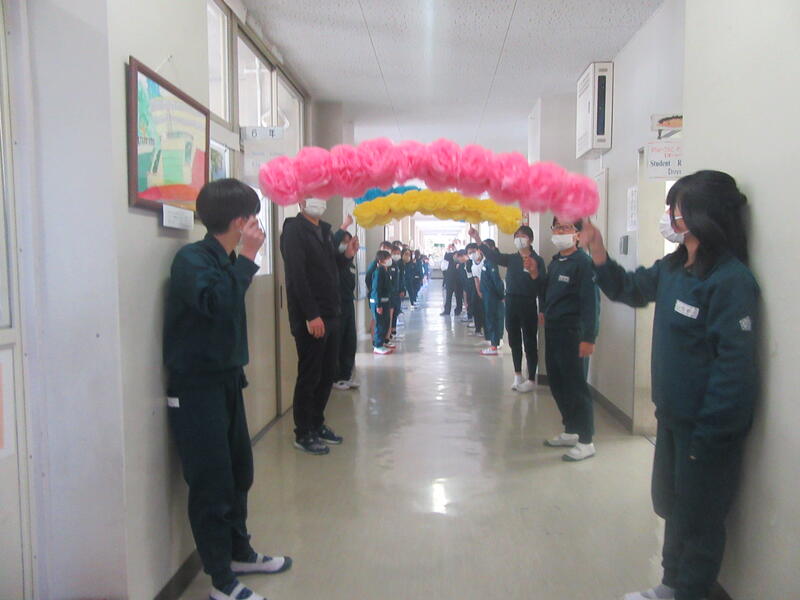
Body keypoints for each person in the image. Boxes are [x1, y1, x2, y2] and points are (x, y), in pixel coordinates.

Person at [579, 171, 758, 600]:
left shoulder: (729, 280)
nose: (669, 216)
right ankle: (671, 585)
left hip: (707, 428)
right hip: (672, 417)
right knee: (673, 507)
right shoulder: (675, 268)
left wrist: (710, 434)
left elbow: (734, 369)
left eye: (676, 209)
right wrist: (598, 251)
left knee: (699, 517)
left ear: (702, 215)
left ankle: (689, 590)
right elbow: (629, 288)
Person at [164, 179, 291, 600]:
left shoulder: (225, 259)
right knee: (212, 483)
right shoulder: (191, 260)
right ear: (239, 221)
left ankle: (240, 553)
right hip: (196, 388)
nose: (256, 222)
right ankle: (220, 580)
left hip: (226, 380)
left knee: (239, 472)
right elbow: (216, 305)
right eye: (252, 215)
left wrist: (244, 259)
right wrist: (251, 257)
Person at [280, 197, 344, 455]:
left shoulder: (325, 231)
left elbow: (329, 269)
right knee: (310, 375)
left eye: (322, 193)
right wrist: (311, 314)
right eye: (312, 194)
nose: (319, 200)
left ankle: (317, 424)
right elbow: (297, 275)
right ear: (300, 199)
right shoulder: (294, 230)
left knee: (328, 373)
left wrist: (346, 257)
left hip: (331, 313)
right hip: (311, 317)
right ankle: (303, 431)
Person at [541, 217, 600, 462]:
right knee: (558, 383)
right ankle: (571, 429)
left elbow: (591, 304)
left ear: (577, 234)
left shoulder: (584, 264)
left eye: (565, 227)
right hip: (553, 330)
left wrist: (589, 337)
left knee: (576, 386)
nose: (559, 232)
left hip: (573, 333)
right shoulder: (556, 262)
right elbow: (548, 292)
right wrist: (544, 310)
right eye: (556, 227)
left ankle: (586, 441)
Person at [470, 225, 546, 392]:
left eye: (523, 236)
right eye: (517, 236)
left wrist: (542, 309)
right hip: (511, 302)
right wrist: (477, 238)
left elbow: (542, 287)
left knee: (530, 341)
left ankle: (531, 379)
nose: (519, 239)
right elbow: (492, 255)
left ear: (530, 239)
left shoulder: (537, 260)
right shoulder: (512, 259)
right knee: (514, 340)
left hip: (528, 303)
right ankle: (517, 374)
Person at [331, 215, 361, 391]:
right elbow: (332, 243)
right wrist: (344, 225)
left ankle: (346, 375)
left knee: (350, 340)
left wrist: (350, 253)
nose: (347, 244)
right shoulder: (332, 259)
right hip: (337, 304)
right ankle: (336, 377)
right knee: (338, 340)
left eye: (349, 242)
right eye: (344, 242)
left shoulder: (349, 262)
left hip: (348, 302)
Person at [475, 244, 505, 356]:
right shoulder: (487, 262)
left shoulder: (491, 263)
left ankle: (494, 346)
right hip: (487, 295)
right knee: (490, 319)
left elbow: (496, 281)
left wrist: (501, 295)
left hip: (492, 296)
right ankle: (494, 343)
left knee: (493, 319)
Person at [370, 250, 394, 355]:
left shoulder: (385, 271)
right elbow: (376, 289)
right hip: (379, 303)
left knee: (385, 323)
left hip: (385, 302)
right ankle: (377, 346)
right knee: (380, 324)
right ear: (380, 261)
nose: (389, 260)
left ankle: (381, 343)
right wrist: (378, 305)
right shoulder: (379, 271)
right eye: (387, 259)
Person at [465, 243, 485, 338]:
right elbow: (474, 278)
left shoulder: (485, 261)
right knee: (476, 309)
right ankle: (478, 329)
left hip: (485, 289)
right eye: (470, 253)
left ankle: (485, 329)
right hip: (475, 289)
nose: (472, 254)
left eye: (473, 252)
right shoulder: (471, 264)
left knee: (484, 310)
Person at [441, 244, 464, 316]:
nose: (455, 257)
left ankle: (458, 310)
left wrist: (455, 248)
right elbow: (445, 257)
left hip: (458, 281)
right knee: (448, 296)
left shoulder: (460, 260)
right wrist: (448, 249)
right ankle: (447, 310)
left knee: (458, 296)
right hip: (450, 280)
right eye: (454, 256)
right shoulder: (450, 258)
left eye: (457, 256)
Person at [389, 243, 405, 341]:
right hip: (391, 294)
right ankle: (389, 334)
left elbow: (400, 279)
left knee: (396, 311)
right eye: (394, 253)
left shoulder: (398, 264)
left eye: (398, 253)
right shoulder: (389, 265)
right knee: (391, 314)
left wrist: (402, 289)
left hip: (397, 293)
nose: (396, 255)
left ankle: (393, 332)